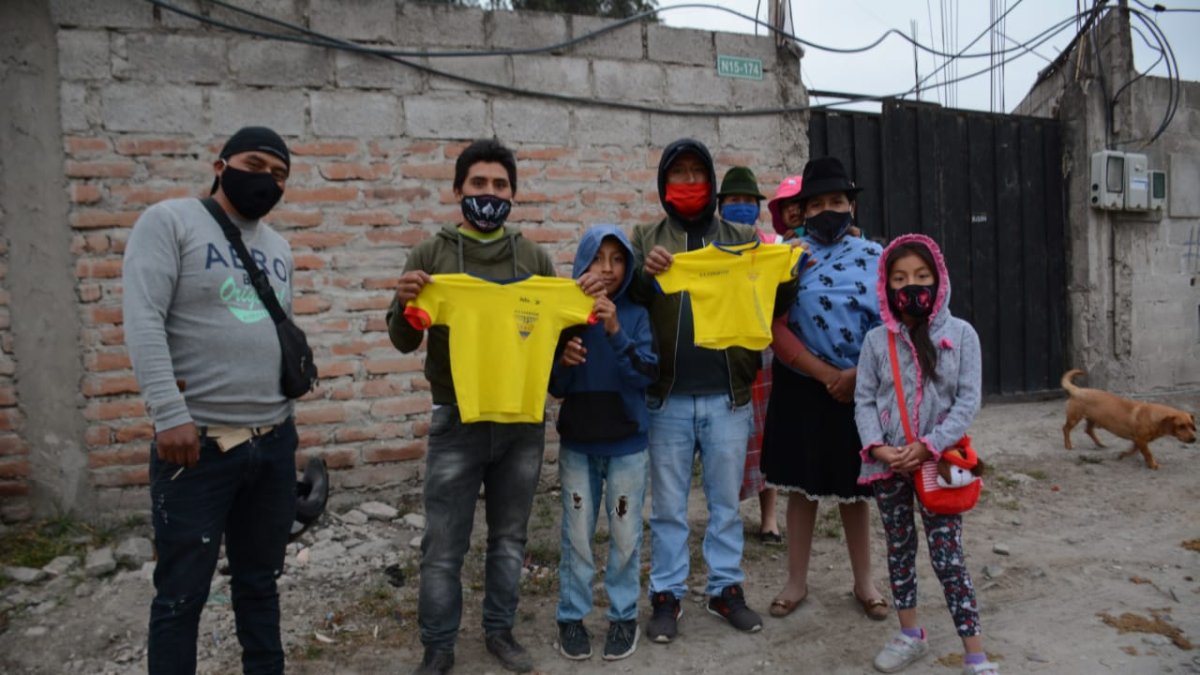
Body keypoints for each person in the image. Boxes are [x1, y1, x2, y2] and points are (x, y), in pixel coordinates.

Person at [386, 139, 605, 675]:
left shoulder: (533, 259)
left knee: (510, 539)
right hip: (456, 418)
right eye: (479, 184)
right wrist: (403, 301)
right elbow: (402, 342)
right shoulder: (431, 257)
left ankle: (500, 633)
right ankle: (438, 647)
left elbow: (557, 335)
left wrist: (575, 323)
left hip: (522, 422)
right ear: (458, 189)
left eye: (500, 185)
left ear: (513, 194)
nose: (489, 194)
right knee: (444, 544)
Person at [123, 126, 299, 674]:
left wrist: (287, 425)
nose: (266, 180)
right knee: (181, 594)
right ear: (220, 165)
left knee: (260, 584)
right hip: (196, 447)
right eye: (255, 164)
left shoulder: (279, 248)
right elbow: (143, 318)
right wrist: (168, 414)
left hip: (271, 442)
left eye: (279, 174)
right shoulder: (170, 221)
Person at [629, 138, 799, 643]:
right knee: (667, 507)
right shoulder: (645, 237)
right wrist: (645, 274)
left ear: (710, 181)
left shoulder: (743, 237)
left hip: (728, 396)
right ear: (664, 184)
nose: (687, 182)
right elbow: (628, 296)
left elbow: (774, 297)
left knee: (726, 503)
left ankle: (726, 589)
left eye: (695, 172)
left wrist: (789, 266)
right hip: (667, 397)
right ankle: (666, 594)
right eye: (676, 173)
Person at [853, 234, 996, 675]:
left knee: (947, 556)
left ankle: (975, 653)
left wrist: (929, 445)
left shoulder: (961, 335)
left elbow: (968, 401)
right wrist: (878, 446)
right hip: (887, 463)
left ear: (939, 280)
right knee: (899, 548)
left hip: (938, 464)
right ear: (886, 287)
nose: (910, 287)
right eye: (899, 279)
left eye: (921, 276)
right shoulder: (877, 340)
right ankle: (909, 633)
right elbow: (863, 399)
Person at [759, 156, 889, 621]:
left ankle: (864, 582)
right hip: (803, 385)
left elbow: (888, 326)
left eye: (837, 200)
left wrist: (857, 377)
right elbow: (773, 325)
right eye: (817, 203)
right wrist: (825, 375)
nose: (828, 210)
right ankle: (795, 583)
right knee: (801, 488)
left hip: (861, 387)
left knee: (857, 490)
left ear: (851, 206)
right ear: (802, 210)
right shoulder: (786, 256)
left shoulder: (877, 258)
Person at [549, 225, 658, 662]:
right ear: (583, 263)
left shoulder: (634, 315)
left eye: (617, 260)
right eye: (598, 259)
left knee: (626, 536)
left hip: (628, 445)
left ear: (628, 267)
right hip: (578, 444)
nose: (607, 269)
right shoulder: (566, 314)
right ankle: (571, 616)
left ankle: (623, 615)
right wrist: (563, 361)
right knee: (577, 535)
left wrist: (615, 330)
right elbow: (555, 386)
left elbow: (645, 374)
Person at [717, 166, 782, 545]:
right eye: (733, 201)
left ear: (758, 208)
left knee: (765, 434)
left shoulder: (773, 246)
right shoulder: (712, 249)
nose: (741, 207)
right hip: (723, 352)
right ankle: (723, 516)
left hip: (766, 352)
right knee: (725, 441)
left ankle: (769, 518)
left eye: (747, 201)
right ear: (721, 206)